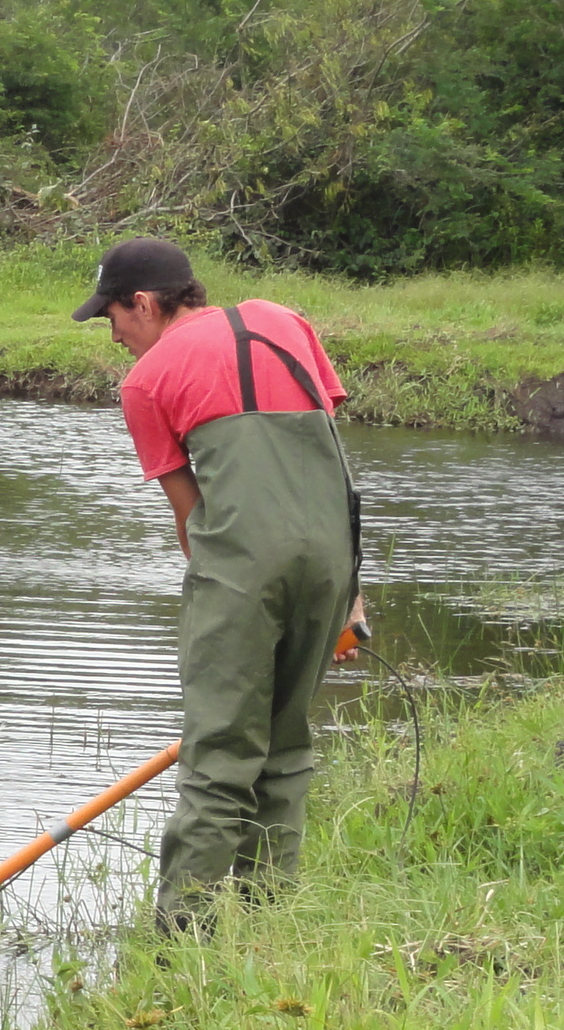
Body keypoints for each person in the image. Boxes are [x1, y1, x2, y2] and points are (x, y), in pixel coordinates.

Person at [74, 238, 365, 928]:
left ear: (143, 303)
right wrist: (350, 593)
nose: (113, 335)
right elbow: (323, 457)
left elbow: (192, 521)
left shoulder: (144, 383)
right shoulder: (286, 321)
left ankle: (184, 940)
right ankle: (268, 924)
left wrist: (225, 606)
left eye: (111, 317)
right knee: (286, 745)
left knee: (219, 755)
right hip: (333, 557)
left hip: (240, 567)